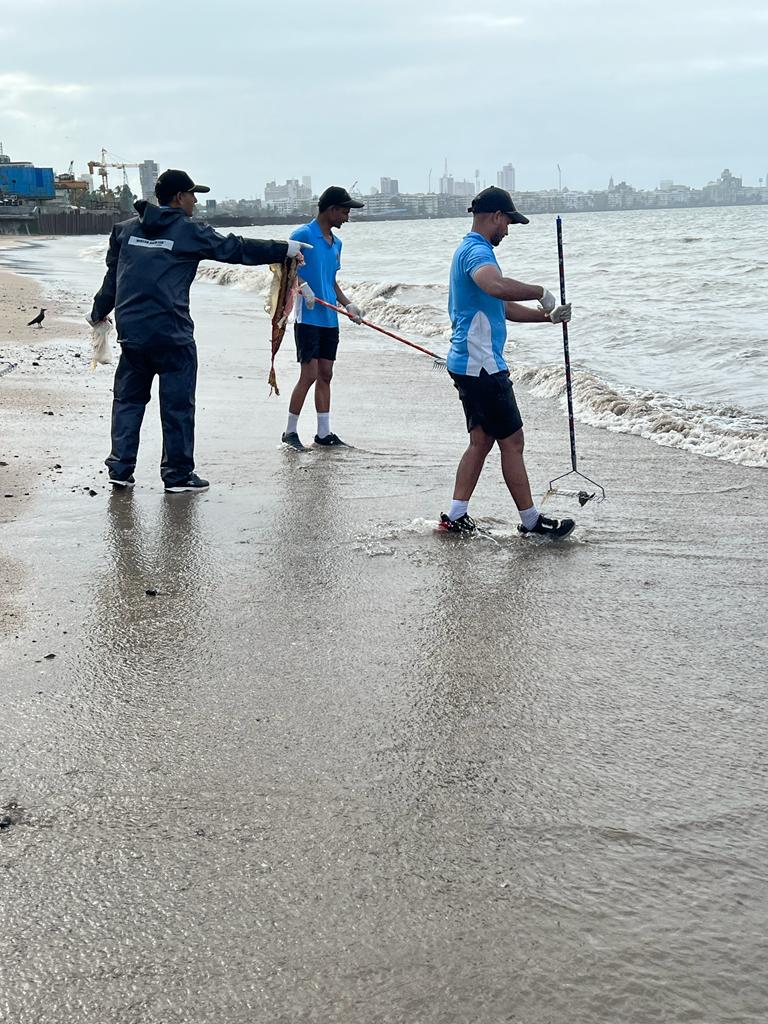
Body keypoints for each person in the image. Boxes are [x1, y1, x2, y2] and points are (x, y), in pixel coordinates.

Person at [89, 168, 308, 493]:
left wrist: (97, 313)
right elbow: (235, 248)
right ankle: (177, 476)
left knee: (127, 400)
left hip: (132, 333)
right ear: (179, 197)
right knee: (177, 405)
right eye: (193, 194)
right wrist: (284, 250)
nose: (195, 201)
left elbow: (112, 280)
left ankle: (120, 469)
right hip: (172, 336)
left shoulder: (125, 231)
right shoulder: (187, 230)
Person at [439, 186, 575, 539]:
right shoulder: (475, 251)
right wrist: (541, 291)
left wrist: (548, 317)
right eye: (508, 222)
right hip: (481, 365)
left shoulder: (472, 250)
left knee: (481, 440)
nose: (509, 230)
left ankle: (455, 515)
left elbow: (501, 306)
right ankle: (531, 522)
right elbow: (496, 286)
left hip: (468, 361)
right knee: (512, 441)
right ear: (496, 216)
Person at [281, 185, 364, 451]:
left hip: (329, 318)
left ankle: (323, 433)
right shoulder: (303, 235)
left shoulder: (336, 244)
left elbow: (332, 281)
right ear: (331, 210)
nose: (347, 217)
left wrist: (348, 304)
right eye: (344, 211)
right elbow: (287, 270)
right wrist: (302, 286)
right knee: (310, 374)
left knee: (326, 374)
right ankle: (290, 432)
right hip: (308, 317)